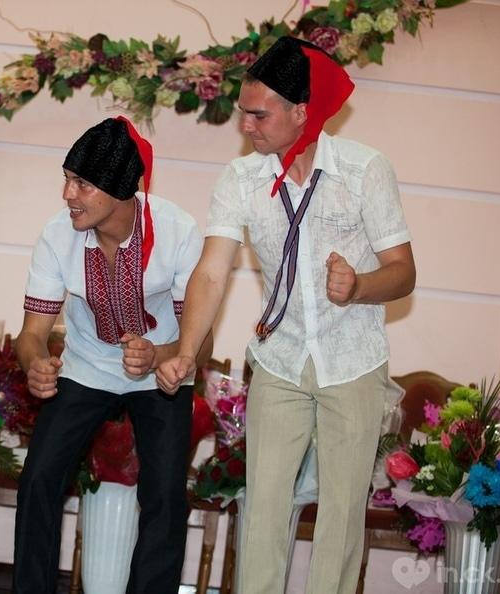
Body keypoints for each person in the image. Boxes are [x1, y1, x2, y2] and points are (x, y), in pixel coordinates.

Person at [156, 36, 416, 594]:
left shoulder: (364, 170)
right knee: (263, 507)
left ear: (302, 111)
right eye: (243, 112)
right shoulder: (240, 179)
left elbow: (403, 272)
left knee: (341, 515)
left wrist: (360, 285)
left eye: (259, 114)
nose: (246, 125)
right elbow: (211, 272)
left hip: (353, 361)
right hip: (278, 359)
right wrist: (185, 351)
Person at [12, 117, 211, 594]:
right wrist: (35, 363)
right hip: (85, 366)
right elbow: (31, 334)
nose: (67, 194)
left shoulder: (178, 232)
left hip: (165, 369)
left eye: (82, 183)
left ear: (122, 189)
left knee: (165, 495)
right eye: (67, 179)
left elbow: (200, 344)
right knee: (39, 477)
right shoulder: (57, 235)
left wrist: (161, 354)